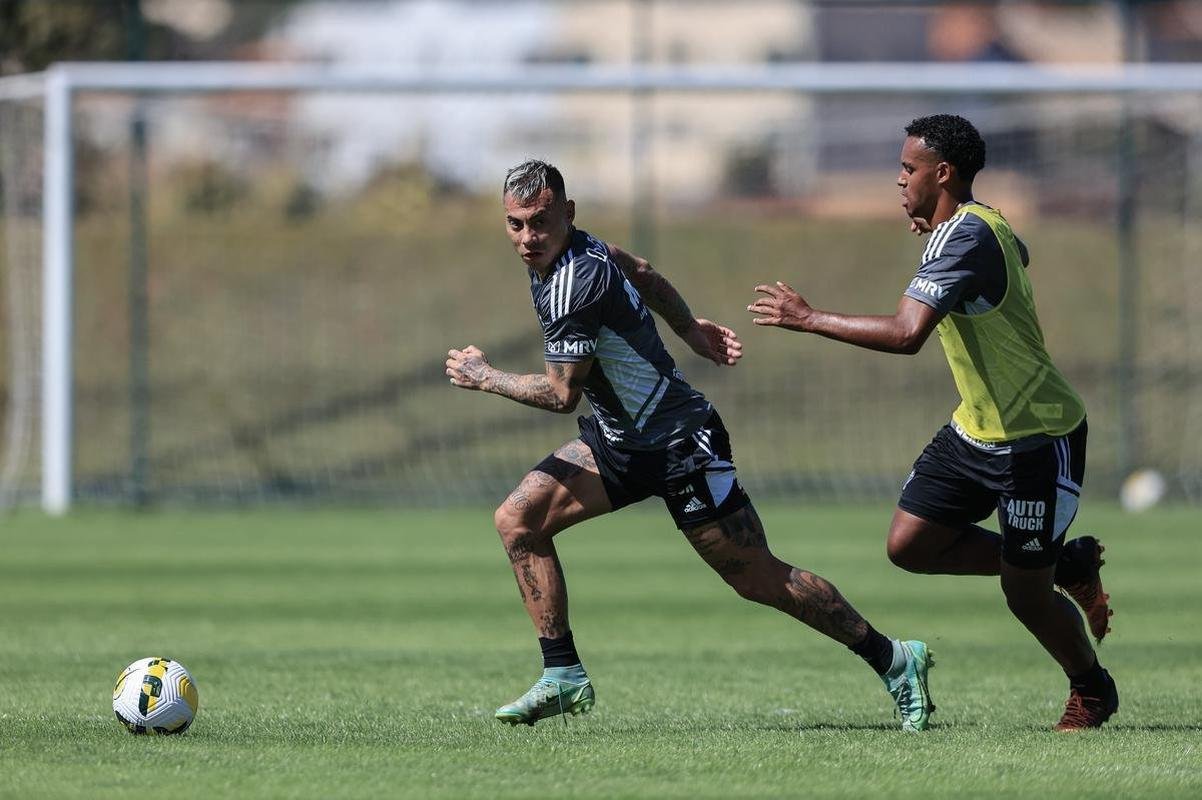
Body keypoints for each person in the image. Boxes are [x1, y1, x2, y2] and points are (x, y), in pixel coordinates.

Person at [446, 159, 934, 729]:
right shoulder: (578, 250)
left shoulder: (574, 281)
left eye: (540, 222)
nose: (528, 237)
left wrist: (485, 376)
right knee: (518, 520)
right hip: (620, 442)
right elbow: (647, 273)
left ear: (567, 213)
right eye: (516, 224)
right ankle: (563, 675)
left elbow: (560, 394)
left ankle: (895, 659)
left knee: (756, 577)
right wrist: (692, 332)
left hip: (680, 445)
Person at [746, 114, 1116, 731]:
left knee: (1024, 595)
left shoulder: (962, 238)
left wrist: (807, 318)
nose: (898, 182)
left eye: (907, 169)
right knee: (910, 545)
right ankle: (1066, 564)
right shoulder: (979, 224)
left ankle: (1092, 687)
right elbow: (1015, 251)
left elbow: (906, 334)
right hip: (975, 429)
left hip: (1037, 438)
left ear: (941, 174)